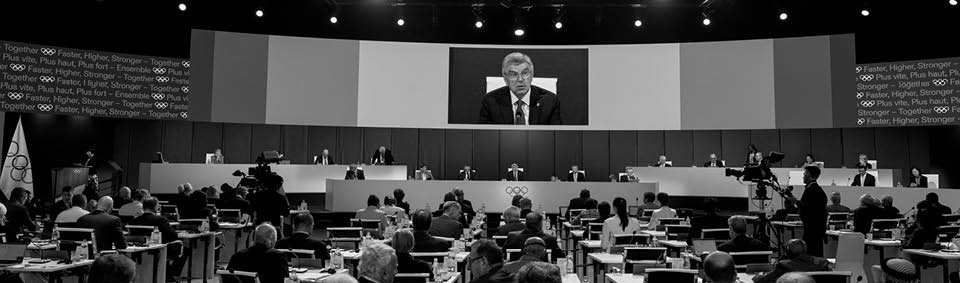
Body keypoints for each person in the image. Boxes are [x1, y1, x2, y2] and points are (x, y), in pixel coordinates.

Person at [478, 52, 562, 125]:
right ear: (505, 78)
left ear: (532, 75)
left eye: (525, 73)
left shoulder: (550, 101)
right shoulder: (491, 101)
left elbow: (557, 136)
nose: (520, 79)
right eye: (513, 74)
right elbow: (484, 136)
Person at [130, 198, 188, 281]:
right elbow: (173, 235)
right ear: (155, 207)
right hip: (158, 250)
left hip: (138, 252)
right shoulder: (161, 220)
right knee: (185, 248)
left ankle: (168, 275)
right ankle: (170, 276)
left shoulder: (133, 221)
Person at [786, 166, 827, 257]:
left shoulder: (812, 189)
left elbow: (807, 207)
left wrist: (794, 201)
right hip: (815, 228)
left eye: (804, 174)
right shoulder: (815, 189)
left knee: (812, 253)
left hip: (812, 228)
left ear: (809, 175)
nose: (803, 176)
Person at [751, 240, 830, 283]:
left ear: (788, 253)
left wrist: (759, 276)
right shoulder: (823, 262)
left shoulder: (784, 265)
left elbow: (763, 280)